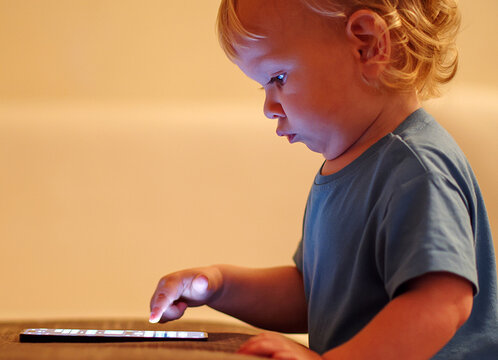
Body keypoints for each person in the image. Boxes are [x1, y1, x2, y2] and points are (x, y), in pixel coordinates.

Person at [148, 0, 498, 358]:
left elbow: (443, 303)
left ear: (367, 44)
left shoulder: (415, 168)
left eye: (278, 78)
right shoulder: (345, 169)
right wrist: (220, 287)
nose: (269, 107)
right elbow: (313, 293)